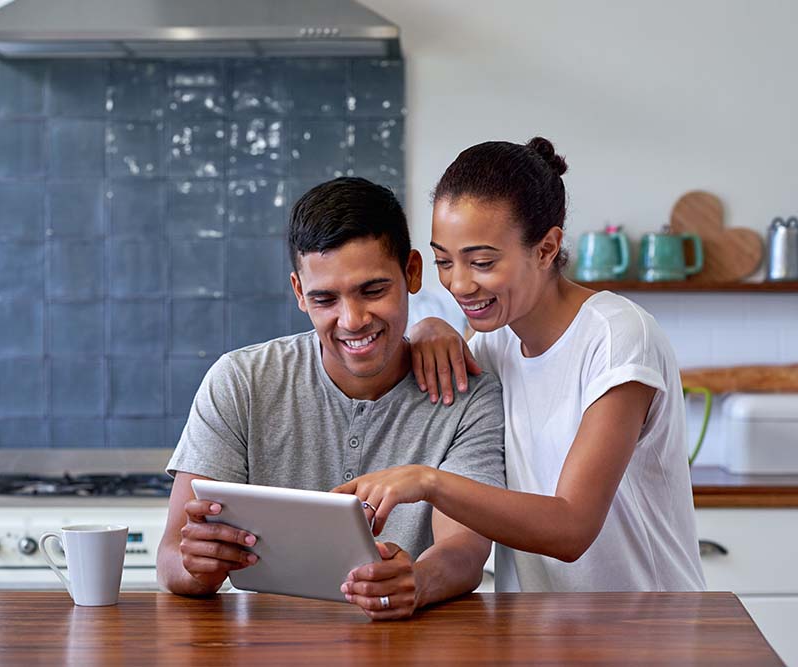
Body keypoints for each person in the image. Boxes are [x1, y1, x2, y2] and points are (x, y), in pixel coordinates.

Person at [335, 138, 706, 592]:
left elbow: (571, 528)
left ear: (547, 248)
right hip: (541, 635)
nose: (460, 283)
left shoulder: (617, 338)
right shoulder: (493, 342)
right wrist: (429, 326)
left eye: (483, 262)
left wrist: (429, 482)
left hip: (647, 633)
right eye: (444, 261)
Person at [157, 177, 506, 619]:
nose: (353, 320)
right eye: (325, 298)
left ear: (412, 272)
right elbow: (171, 557)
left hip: (407, 644)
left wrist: (416, 581)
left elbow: (465, 549)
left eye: (373, 291)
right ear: (300, 292)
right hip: (265, 643)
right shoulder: (240, 381)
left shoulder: (468, 395)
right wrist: (197, 569)